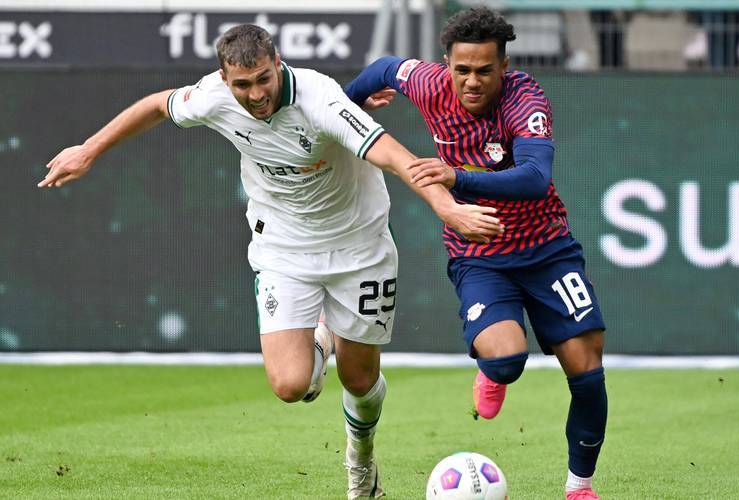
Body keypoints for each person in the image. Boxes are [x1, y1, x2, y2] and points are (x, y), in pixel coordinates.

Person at [39, 24, 503, 500]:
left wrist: (446, 207)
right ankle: (322, 337)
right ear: (225, 79)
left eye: (264, 78)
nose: (257, 94)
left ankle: (360, 460)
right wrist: (88, 150)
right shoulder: (211, 97)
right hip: (283, 248)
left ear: (278, 64)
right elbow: (158, 105)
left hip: (360, 247)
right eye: (243, 84)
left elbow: (392, 155)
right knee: (289, 386)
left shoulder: (320, 98)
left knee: (359, 380)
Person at [345, 7, 607, 500]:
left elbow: (535, 178)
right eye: (461, 69)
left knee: (587, 368)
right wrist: (349, 106)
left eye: (484, 70)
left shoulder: (524, 100)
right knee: (507, 361)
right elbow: (382, 69)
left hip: (546, 248)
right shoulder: (428, 83)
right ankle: (493, 372)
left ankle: (579, 487)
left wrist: (456, 177)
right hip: (479, 252)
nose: (471, 81)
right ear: (446, 64)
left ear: (504, 66)